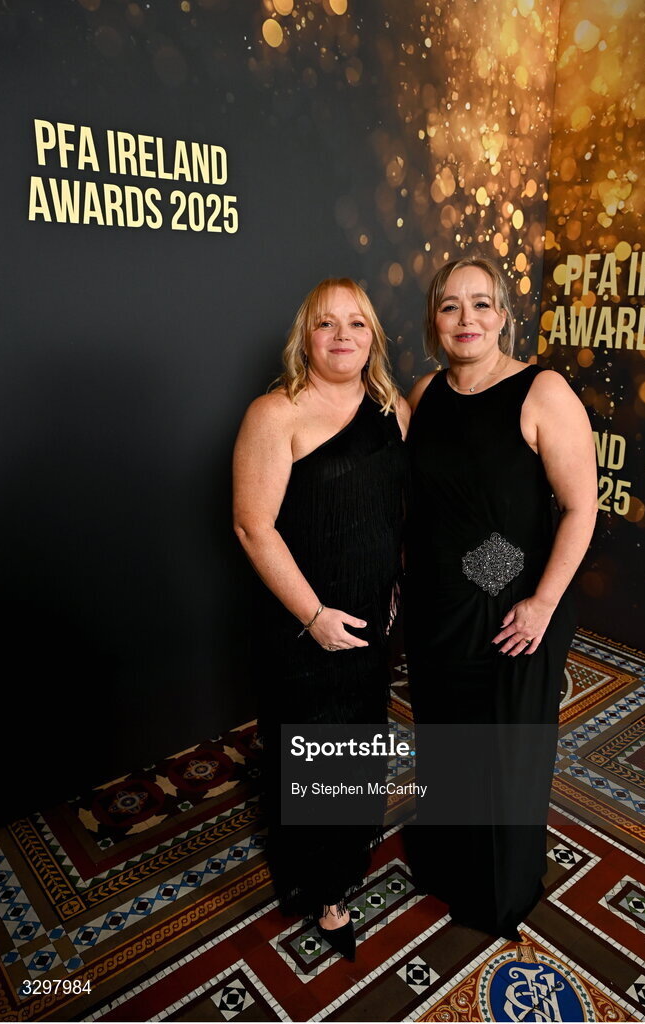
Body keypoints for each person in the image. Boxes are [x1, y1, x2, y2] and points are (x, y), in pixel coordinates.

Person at [404, 255, 597, 940]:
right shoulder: (423, 392)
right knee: (448, 744)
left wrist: (543, 602)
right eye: (451, 306)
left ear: (503, 317)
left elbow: (580, 508)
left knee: (504, 750)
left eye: (481, 304)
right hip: (438, 607)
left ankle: (495, 891)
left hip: (515, 601)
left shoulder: (541, 391)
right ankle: (445, 861)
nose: (467, 319)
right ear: (435, 319)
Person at [233, 278, 410, 961]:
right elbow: (253, 528)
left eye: (357, 324)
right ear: (304, 336)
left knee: (358, 747)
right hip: (304, 625)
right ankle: (318, 891)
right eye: (326, 324)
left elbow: (400, 506)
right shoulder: (274, 413)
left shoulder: (392, 406)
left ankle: (345, 862)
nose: (343, 336)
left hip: (370, 622)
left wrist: (397, 575)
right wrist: (314, 616)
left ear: (373, 337)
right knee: (307, 755)